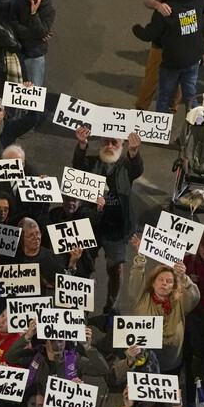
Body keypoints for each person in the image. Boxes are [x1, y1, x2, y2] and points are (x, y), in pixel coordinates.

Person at [73, 127, 143, 312]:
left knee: (116, 269)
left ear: (122, 145)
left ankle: (111, 306)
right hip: (91, 226)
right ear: (99, 144)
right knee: (85, 269)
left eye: (115, 142)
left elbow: (137, 168)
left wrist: (134, 152)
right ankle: (81, 310)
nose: (110, 145)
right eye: (106, 141)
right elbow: (77, 166)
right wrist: (82, 144)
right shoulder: (90, 162)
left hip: (117, 229)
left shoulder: (126, 166)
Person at [134, 0, 204, 111]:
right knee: (153, 80)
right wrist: (158, 5)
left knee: (172, 92)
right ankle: (141, 109)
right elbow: (148, 0)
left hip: (182, 54)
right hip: (164, 49)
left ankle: (169, 113)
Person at [120, 234, 200, 374]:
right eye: (160, 280)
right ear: (153, 282)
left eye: (169, 281)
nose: (164, 283)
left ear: (174, 286)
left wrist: (183, 278)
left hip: (171, 364)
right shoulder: (141, 297)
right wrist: (140, 257)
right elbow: (136, 278)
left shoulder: (180, 301)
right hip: (143, 362)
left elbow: (194, 298)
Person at [13, 0, 54, 87]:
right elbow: (14, 25)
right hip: (18, 54)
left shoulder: (48, 10)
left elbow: (41, 32)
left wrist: (34, 13)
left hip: (35, 55)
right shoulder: (20, 2)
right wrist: (33, 34)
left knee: (33, 93)